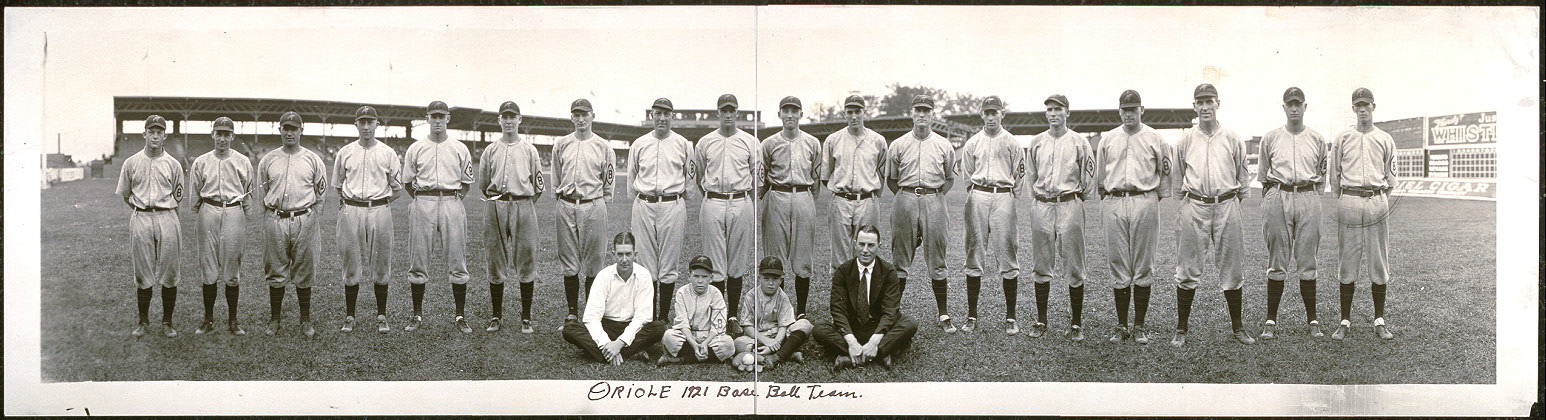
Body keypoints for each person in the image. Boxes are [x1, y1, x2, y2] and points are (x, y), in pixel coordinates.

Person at [1170, 84, 1254, 346]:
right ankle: (1182, 328)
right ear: (1194, 106)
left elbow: (1243, 179)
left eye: (1209, 101)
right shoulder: (1185, 141)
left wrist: (1229, 202)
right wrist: (1188, 203)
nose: (1205, 106)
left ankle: (1238, 327)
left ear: (1218, 103)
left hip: (1227, 204)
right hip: (1195, 205)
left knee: (1232, 267)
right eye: (1200, 102)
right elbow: (1177, 179)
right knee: (1187, 268)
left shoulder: (1232, 138)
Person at [1095, 90, 1172, 344]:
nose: (1129, 113)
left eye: (1133, 108)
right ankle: (1121, 325)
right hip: (1115, 200)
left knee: (1143, 264)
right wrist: (1108, 199)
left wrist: (1150, 200)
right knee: (1118, 263)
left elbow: (1165, 175)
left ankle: (1139, 325)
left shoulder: (1155, 138)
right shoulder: (1108, 138)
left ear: (1142, 109)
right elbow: (1101, 179)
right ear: (1119, 111)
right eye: (1125, 109)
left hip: (1145, 199)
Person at [1025, 94, 1098, 341]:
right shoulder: (1036, 142)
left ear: (1068, 112)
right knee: (1041, 264)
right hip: (1043, 205)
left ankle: (1076, 322)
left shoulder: (1079, 142)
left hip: (1069, 203)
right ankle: (1041, 319)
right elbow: (1030, 177)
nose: (1053, 113)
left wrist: (1077, 200)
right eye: (1049, 109)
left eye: (1058, 109)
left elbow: (1089, 178)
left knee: (1074, 265)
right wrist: (1036, 200)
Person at [1257, 87, 1328, 340]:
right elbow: (1263, 175)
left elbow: (1322, 178)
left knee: (1308, 260)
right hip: (1279, 193)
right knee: (1277, 260)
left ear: (1305, 107)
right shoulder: (1271, 138)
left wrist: (1310, 196)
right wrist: (1273, 198)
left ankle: (1313, 320)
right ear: (1284, 107)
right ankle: (1270, 320)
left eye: (1298, 103)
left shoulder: (1318, 139)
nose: (1294, 108)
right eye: (1290, 104)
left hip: (1308, 195)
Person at [400, 100, 476, 333]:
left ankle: (460, 315)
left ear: (447, 119)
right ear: (427, 119)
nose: (438, 121)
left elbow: (466, 183)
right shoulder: (416, 147)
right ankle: (417, 315)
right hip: (424, 201)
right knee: (419, 259)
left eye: (441, 116)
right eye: (434, 116)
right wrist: (425, 199)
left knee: (457, 260)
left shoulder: (459, 147)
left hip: (452, 201)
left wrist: (451, 200)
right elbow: (407, 183)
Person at [1328, 87, 1397, 341]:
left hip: (1377, 199)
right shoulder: (1342, 138)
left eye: (1366, 105)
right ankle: (1344, 320)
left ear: (1373, 107)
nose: (1362, 109)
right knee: (1347, 262)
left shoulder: (1385, 138)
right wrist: (1349, 198)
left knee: (1378, 262)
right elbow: (1334, 177)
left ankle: (1379, 319)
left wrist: (1376, 198)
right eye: (1358, 105)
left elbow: (1391, 179)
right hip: (1349, 199)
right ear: (1353, 108)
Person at [885, 94, 957, 332]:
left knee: (937, 257)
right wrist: (907, 198)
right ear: (912, 113)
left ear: (933, 114)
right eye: (918, 110)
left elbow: (948, 179)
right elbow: (892, 180)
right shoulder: (898, 144)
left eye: (927, 110)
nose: (922, 114)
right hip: (904, 197)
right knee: (900, 260)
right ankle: (892, 312)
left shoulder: (943, 144)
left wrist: (934, 197)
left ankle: (944, 314)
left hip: (934, 197)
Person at [693, 94, 762, 332]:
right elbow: (699, 175)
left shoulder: (751, 141)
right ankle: (718, 315)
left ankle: (732, 316)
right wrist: (712, 198)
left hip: (741, 200)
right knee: (715, 261)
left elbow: (756, 179)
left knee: (737, 261)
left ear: (738, 113)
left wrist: (743, 200)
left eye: (732, 110)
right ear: (718, 113)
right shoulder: (704, 142)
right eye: (724, 110)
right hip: (713, 200)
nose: (728, 114)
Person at [257, 111, 328, 338]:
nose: (289, 132)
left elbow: (321, 193)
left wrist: (312, 218)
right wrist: (269, 216)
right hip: (276, 218)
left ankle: (305, 319)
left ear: (301, 131)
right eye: (285, 128)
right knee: (275, 269)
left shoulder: (313, 159)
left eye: (293, 128)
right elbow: (262, 192)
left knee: (304, 270)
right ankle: (275, 319)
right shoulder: (268, 160)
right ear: (280, 130)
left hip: (304, 219)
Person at [334, 106, 403, 334]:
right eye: (362, 122)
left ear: (376, 124)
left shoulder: (388, 153)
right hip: (352, 209)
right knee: (351, 265)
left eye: (370, 122)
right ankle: (350, 316)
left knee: (381, 265)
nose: (365, 126)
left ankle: (381, 315)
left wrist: (380, 205)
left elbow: (397, 188)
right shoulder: (345, 152)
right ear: (356, 124)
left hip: (379, 209)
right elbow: (338, 185)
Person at [959, 96, 1025, 334]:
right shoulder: (973, 143)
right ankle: (972, 316)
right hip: (978, 195)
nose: (990, 117)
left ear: (1002, 114)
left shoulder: (1012, 142)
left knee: (1007, 252)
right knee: (974, 251)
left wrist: (1009, 196)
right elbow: (967, 175)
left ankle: (1010, 317)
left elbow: (1020, 174)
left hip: (1004, 195)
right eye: (986, 113)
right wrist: (976, 193)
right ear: (981, 115)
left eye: (994, 112)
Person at [477, 101, 544, 333]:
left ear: (519, 120)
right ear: (499, 120)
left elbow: (538, 186)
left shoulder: (529, 150)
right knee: (495, 258)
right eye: (504, 117)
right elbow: (484, 185)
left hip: (523, 204)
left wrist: (522, 204)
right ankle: (497, 316)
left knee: (526, 257)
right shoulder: (490, 150)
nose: (508, 121)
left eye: (512, 117)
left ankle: (526, 317)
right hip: (496, 205)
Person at [812, 225, 918, 370]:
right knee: (819, 328)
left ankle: (852, 358)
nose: (865, 250)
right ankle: (881, 353)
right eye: (861, 244)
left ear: (879, 246)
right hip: (852, 328)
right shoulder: (843, 271)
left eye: (871, 245)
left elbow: (890, 310)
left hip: (877, 328)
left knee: (910, 323)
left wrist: (874, 341)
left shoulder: (888, 272)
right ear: (855, 244)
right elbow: (837, 309)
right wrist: (851, 341)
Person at [119, 114, 185, 338]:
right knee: (143, 271)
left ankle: (167, 322)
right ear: (144, 134)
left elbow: (178, 196)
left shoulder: (173, 164)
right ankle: (143, 321)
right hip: (142, 217)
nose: (155, 135)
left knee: (170, 271)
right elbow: (126, 195)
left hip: (167, 215)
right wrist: (143, 212)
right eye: (151, 131)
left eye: (159, 132)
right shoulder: (131, 162)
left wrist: (161, 212)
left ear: (165, 135)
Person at [629, 97, 694, 322]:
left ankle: (663, 319)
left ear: (672, 117)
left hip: (672, 204)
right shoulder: (639, 144)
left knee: (668, 264)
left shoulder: (684, 144)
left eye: (667, 114)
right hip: (644, 204)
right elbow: (631, 179)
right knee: (645, 265)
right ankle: (647, 319)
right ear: (652, 116)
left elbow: (690, 181)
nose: (662, 118)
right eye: (658, 113)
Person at [552, 98, 617, 321]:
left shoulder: (603, 146)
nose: (581, 119)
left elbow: (608, 182)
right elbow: (556, 178)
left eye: (584, 114)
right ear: (571, 117)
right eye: (576, 115)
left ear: (592, 116)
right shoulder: (561, 144)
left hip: (593, 204)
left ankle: (591, 317)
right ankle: (572, 314)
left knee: (593, 264)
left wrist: (599, 203)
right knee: (569, 262)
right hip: (567, 203)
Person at [188, 116, 252, 335]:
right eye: (219, 134)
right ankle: (208, 319)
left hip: (234, 211)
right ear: (212, 134)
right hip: (209, 209)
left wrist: (243, 217)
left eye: (227, 134)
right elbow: (194, 196)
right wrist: (201, 214)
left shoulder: (243, 161)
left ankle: (233, 321)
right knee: (208, 269)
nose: (222, 139)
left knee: (232, 270)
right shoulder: (201, 162)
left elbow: (248, 195)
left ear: (232, 136)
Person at [561, 232, 667, 365]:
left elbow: (642, 318)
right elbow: (592, 318)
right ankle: (630, 351)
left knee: (658, 328)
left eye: (628, 254)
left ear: (635, 254)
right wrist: (606, 343)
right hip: (606, 326)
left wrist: (619, 343)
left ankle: (600, 353)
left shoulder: (644, 275)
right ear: (613, 255)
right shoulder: (603, 276)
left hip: (632, 326)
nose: (624, 260)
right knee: (570, 329)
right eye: (620, 254)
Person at [759, 96, 822, 318]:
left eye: (794, 111)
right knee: (775, 256)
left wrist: (807, 200)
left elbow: (816, 178)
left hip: (803, 195)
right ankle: (779, 309)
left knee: (803, 257)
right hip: (777, 195)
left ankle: (802, 311)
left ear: (801, 114)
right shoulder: (769, 143)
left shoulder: (812, 143)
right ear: (779, 114)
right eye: (785, 110)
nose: (790, 115)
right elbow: (763, 178)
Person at [821, 95, 887, 282]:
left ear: (864, 112)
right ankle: (841, 304)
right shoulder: (833, 140)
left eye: (858, 111)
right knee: (839, 256)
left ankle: (865, 301)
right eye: (850, 112)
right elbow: (826, 175)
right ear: (845, 114)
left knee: (867, 251)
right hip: (841, 200)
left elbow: (882, 172)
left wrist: (871, 194)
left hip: (867, 200)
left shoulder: (878, 141)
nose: (854, 116)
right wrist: (842, 192)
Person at [735, 257, 813, 371]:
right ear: (759, 278)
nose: (771, 283)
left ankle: (771, 355)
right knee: (738, 343)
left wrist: (774, 343)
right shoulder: (751, 296)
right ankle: (788, 353)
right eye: (766, 278)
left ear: (781, 280)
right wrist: (766, 341)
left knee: (805, 324)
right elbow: (747, 326)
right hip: (758, 337)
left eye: (775, 279)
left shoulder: (782, 297)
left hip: (780, 336)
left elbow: (783, 326)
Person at [659, 256, 735, 365]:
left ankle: (682, 359)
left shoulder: (715, 293)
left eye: (704, 277)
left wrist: (705, 343)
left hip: (708, 335)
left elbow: (718, 324)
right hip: (688, 336)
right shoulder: (682, 292)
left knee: (728, 344)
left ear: (711, 277)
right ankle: (710, 356)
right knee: (668, 336)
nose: (700, 281)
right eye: (696, 276)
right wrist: (694, 344)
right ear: (689, 276)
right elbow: (682, 323)